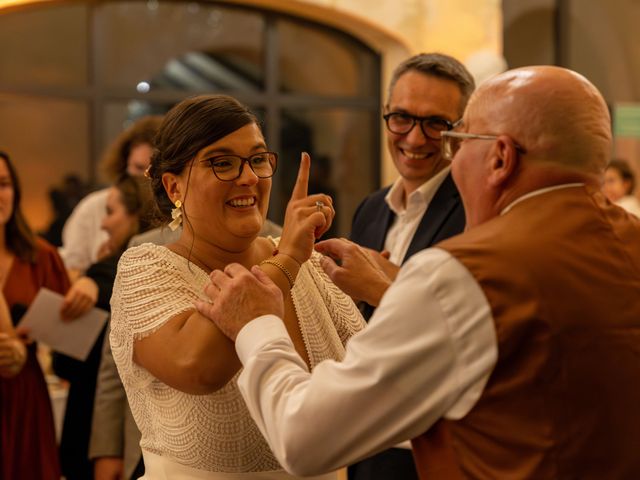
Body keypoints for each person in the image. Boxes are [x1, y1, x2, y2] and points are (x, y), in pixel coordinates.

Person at [197, 66, 640, 479]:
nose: (448, 156)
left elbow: (303, 437)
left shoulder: (465, 273)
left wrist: (258, 324)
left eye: (459, 140)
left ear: (501, 158)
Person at [109, 94, 365, 479]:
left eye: (258, 160)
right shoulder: (146, 268)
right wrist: (287, 262)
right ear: (174, 187)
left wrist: (389, 289)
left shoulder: (311, 264)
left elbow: (374, 378)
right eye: (222, 163)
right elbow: (195, 367)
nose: (248, 177)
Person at [347, 52, 472, 480]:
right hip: (364, 436)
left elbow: (465, 332)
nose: (415, 139)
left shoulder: (476, 211)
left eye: (436, 123)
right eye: (401, 118)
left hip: (434, 444)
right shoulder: (369, 209)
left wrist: (378, 286)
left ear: (463, 129)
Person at [89, 220, 283, 480]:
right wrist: (108, 448)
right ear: (174, 187)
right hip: (164, 442)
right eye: (223, 175)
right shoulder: (147, 248)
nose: (246, 180)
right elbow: (114, 358)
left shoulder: (277, 242)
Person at [54, 175, 155, 480]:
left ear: (136, 214)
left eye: (111, 212)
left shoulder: (112, 271)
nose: (103, 224)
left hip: (97, 432)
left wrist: (91, 276)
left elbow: (65, 363)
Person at [0, 151, 71, 480]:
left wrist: (90, 287)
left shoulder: (41, 257)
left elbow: (69, 337)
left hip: (24, 396)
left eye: (3, 184)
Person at [59, 115, 162, 279]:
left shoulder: (174, 216)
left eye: (154, 170)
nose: (145, 178)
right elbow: (71, 268)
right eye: (139, 167)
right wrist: (94, 277)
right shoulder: (93, 206)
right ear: (124, 164)